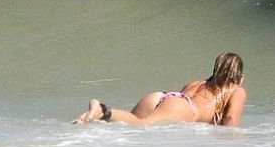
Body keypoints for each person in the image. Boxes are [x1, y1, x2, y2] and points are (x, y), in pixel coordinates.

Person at [73, 52, 247, 127]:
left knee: (129, 127)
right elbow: (230, 119)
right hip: (181, 106)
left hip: (161, 97)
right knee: (140, 126)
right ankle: (102, 109)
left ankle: (88, 118)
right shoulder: (236, 90)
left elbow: (176, 100)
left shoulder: (198, 83)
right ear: (239, 75)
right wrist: (232, 144)